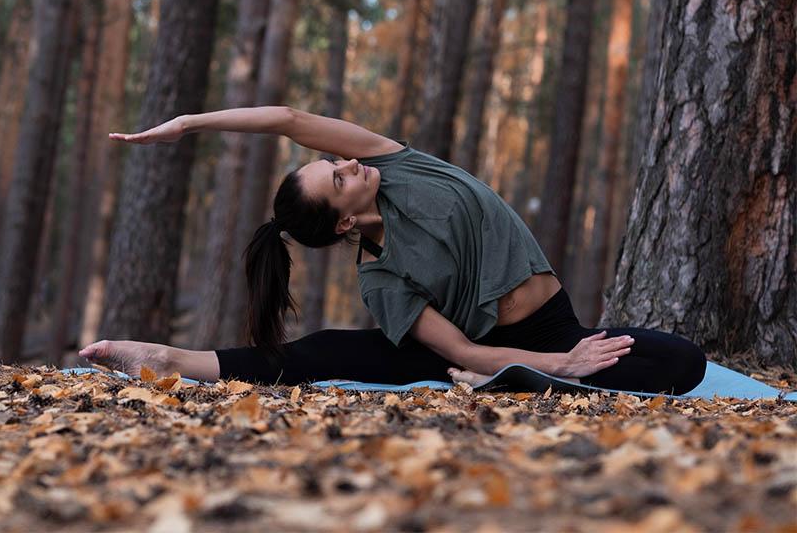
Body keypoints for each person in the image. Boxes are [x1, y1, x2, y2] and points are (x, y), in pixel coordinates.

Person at [80, 106, 707, 395]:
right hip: (494, 350)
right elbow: (462, 348)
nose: (347, 162)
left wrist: (189, 125)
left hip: (554, 325)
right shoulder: (383, 280)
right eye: (337, 178)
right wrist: (565, 367)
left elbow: (289, 121)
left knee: (684, 363)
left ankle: (513, 380)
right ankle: (170, 357)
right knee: (323, 352)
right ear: (346, 222)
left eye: (334, 163)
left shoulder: (395, 163)